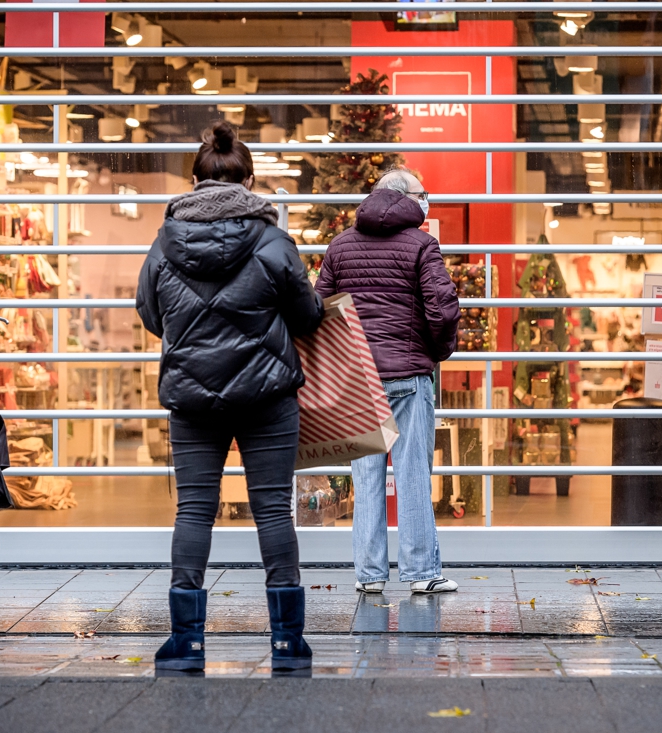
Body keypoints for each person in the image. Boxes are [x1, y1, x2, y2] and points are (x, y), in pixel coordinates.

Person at [136, 120, 324, 676]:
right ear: (250, 179)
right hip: (268, 398)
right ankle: (288, 643)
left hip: (193, 400)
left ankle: (186, 643)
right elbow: (307, 317)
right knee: (272, 510)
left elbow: (150, 314)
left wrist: (194, 342)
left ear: (194, 179)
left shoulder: (165, 241)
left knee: (194, 509)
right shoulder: (273, 241)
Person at [315, 167, 461, 594]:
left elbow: (319, 309)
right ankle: (420, 574)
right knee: (414, 473)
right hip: (408, 376)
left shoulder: (340, 246)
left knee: (366, 478)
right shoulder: (421, 244)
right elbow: (444, 307)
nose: (426, 198)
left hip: (359, 380)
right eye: (422, 192)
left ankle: (370, 575)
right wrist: (435, 352)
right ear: (402, 198)